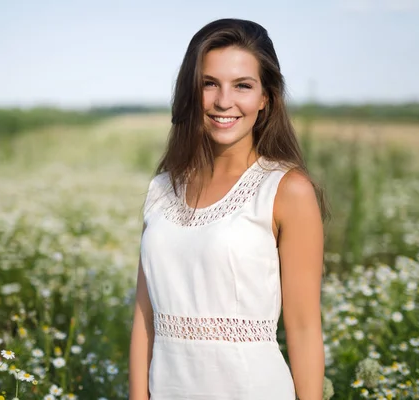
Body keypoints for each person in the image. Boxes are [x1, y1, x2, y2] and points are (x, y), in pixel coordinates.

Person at [128, 18, 326, 400]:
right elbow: (144, 316)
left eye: (243, 86)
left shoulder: (287, 190)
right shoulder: (161, 188)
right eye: (209, 83)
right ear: (191, 90)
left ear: (266, 97)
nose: (223, 101)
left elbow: (303, 328)